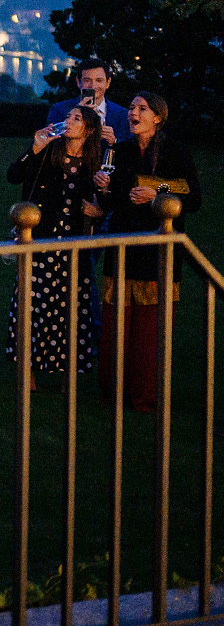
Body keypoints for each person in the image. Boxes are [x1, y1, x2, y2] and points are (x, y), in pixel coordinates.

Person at [98, 91, 203, 411]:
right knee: (117, 324)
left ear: (158, 117)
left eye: (142, 108)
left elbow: (192, 195)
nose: (134, 112)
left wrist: (156, 191)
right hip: (123, 246)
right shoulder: (120, 150)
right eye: (132, 107)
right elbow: (112, 201)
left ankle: (144, 394)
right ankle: (113, 392)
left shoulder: (175, 151)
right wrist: (103, 188)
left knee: (149, 330)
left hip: (158, 251)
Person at [6, 104, 105, 380]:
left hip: (75, 245)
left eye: (77, 118)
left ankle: (65, 371)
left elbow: (106, 200)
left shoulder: (95, 161)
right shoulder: (49, 152)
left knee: (70, 307)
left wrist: (99, 211)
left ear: (88, 129)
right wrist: (36, 147)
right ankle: (28, 370)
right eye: (68, 116)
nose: (69, 120)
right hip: (42, 241)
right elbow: (13, 175)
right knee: (33, 304)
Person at [46, 57, 129, 145]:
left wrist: (113, 141)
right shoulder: (59, 109)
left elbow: (128, 146)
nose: (93, 86)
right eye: (87, 80)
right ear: (78, 82)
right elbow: (51, 142)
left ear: (108, 83)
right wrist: (77, 113)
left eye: (99, 80)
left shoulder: (122, 114)